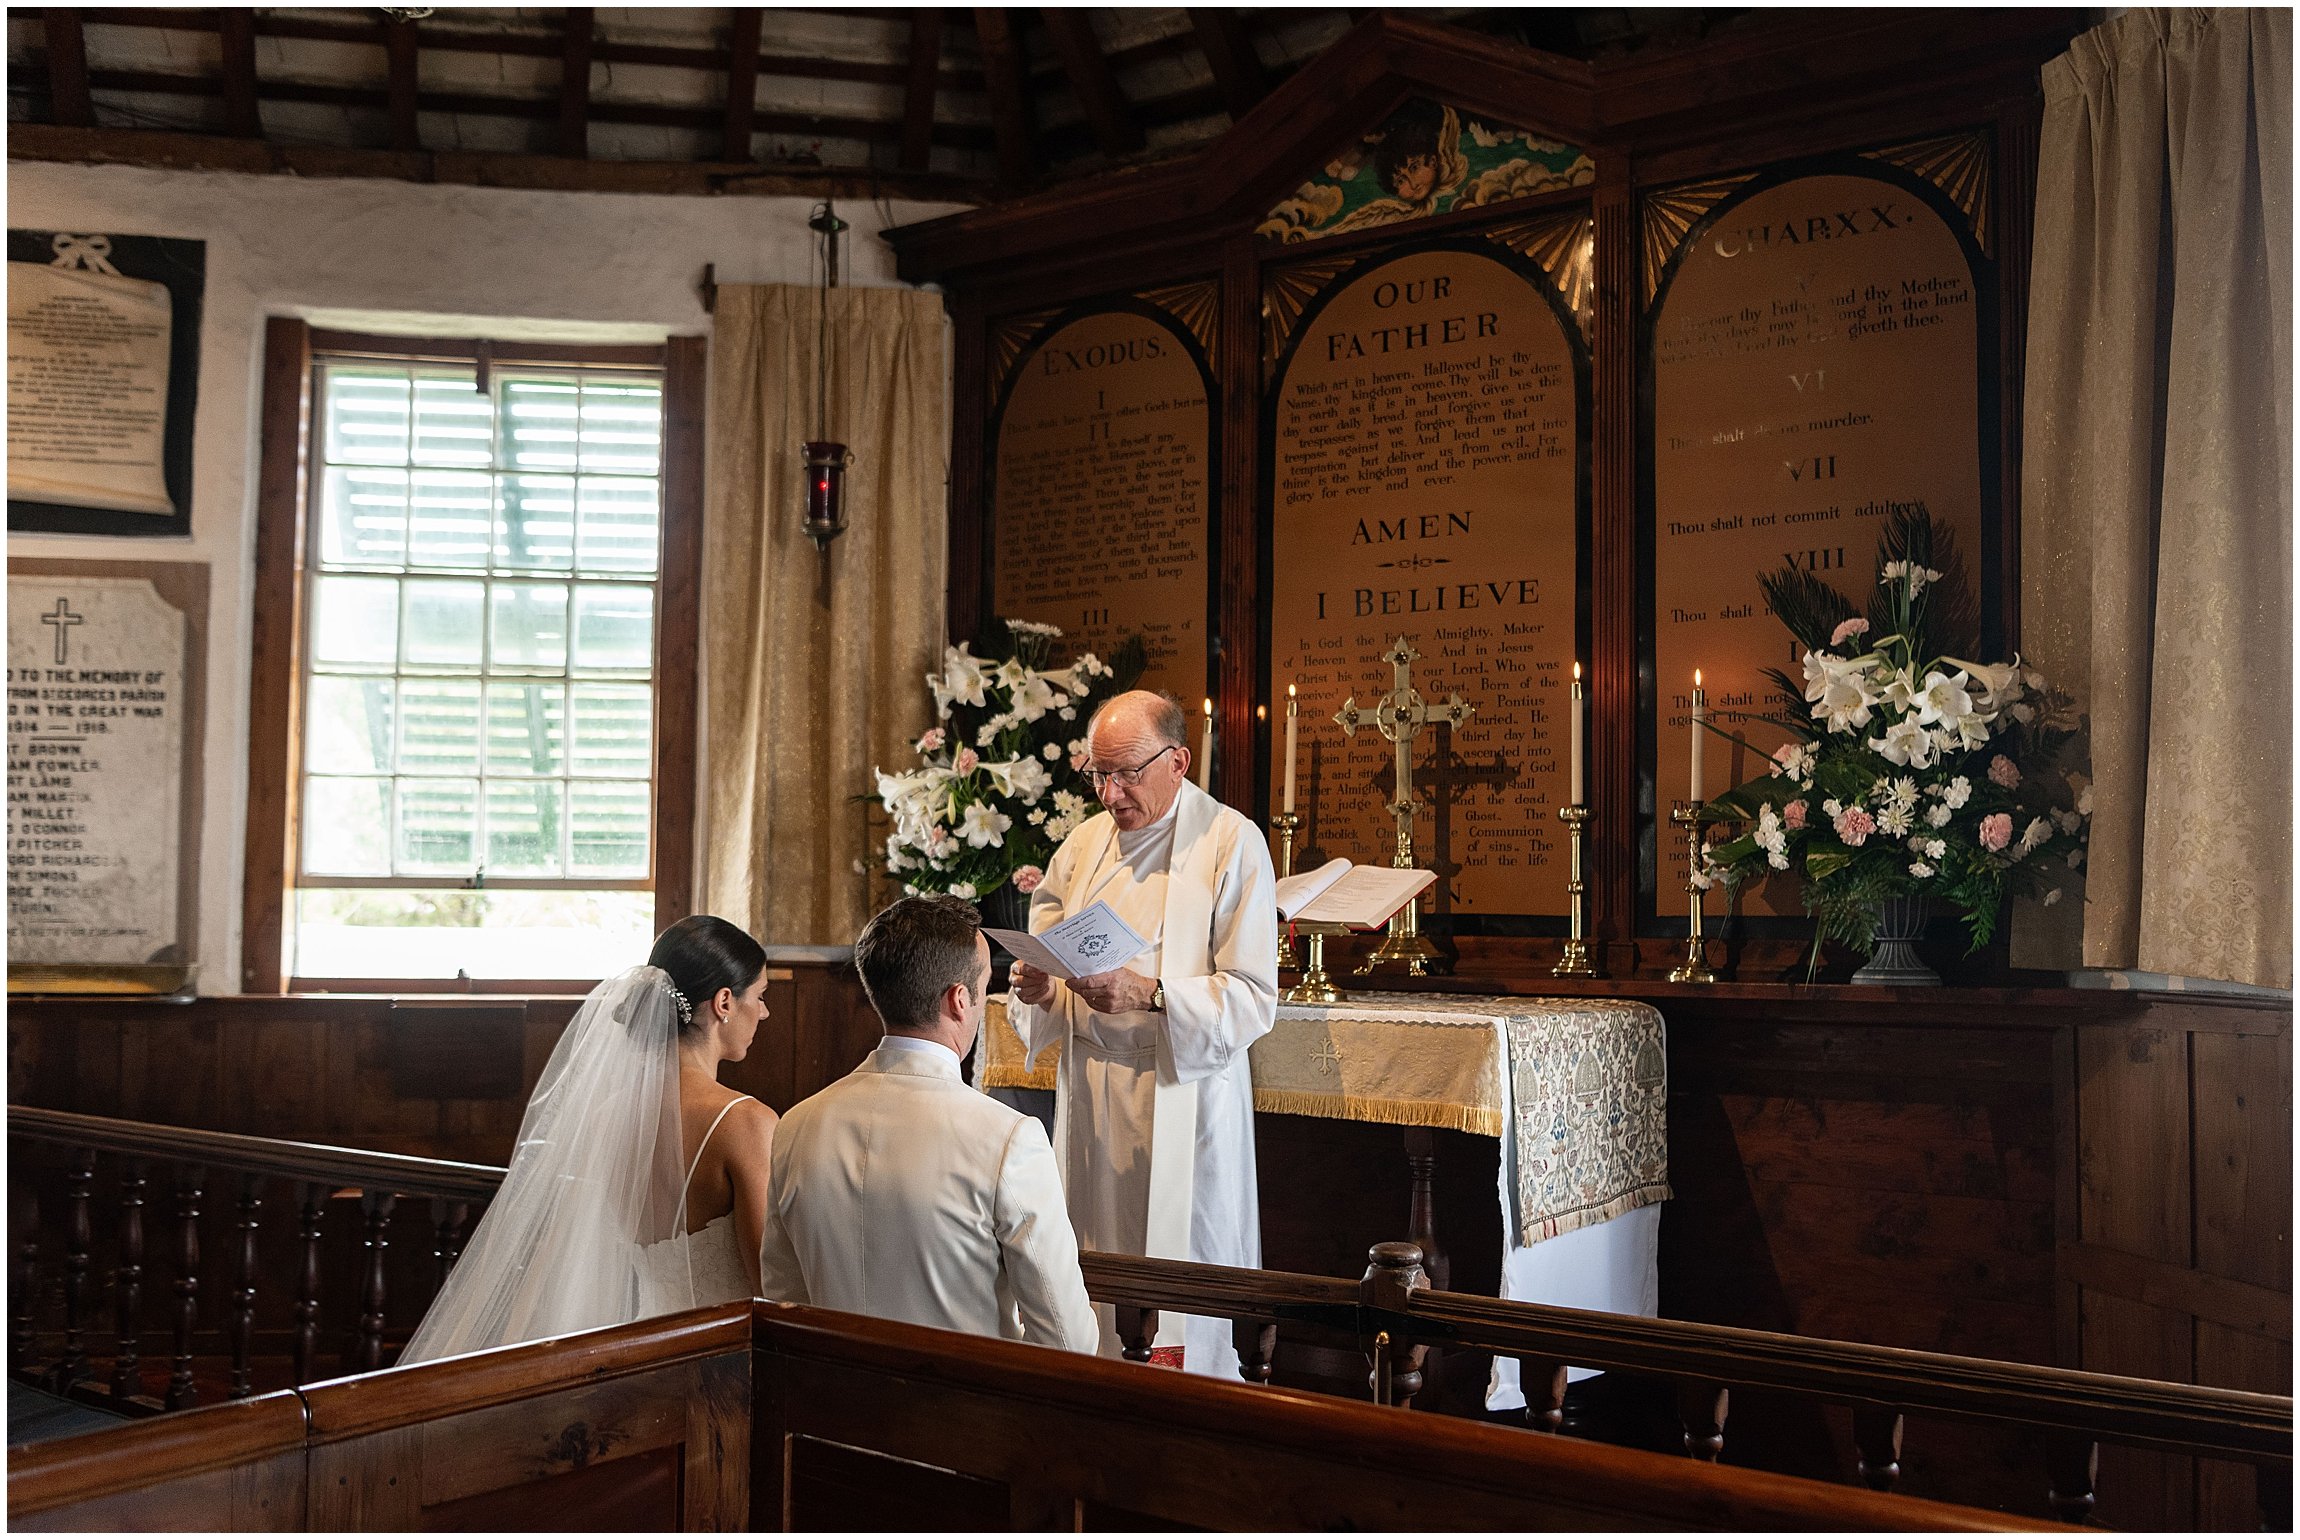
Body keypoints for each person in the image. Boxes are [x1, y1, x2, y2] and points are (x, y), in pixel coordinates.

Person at [1008, 690, 1278, 1377]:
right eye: (1097, 774)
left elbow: (1253, 997)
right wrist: (1038, 990)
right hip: (1094, 1104)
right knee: (1093, 1282)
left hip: (1181, 1101)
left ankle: (1196, 1404)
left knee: (1184, 1274)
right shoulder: (1082, 846)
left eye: (1125, 772)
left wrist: (1151, 993)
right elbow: (1046, 956)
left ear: (1178, 761)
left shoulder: (1229, 842)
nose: (1110, 793)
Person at [399, 915, 778, 1364]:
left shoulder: (607, 1114)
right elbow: (768, 1282)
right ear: (723, 1003)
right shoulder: (744, 1122)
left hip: (641, 1352)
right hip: (725, 1362)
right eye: (760, 996)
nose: (766, 1012)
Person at [757, 894, 1097, 1353]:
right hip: (963, 1415)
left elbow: (785, 1306)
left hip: (829, 1411)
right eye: (982, 988)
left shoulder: (796, 1125)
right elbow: (1067, 1339)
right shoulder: (1008, 1139)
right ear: (960, 1000)